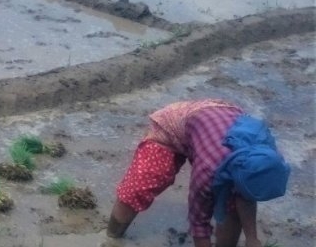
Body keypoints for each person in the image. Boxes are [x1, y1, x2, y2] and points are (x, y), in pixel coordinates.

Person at [106, 100, 290, 247]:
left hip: (220, 120)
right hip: (175, 124)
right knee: (140, 186)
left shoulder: (267, 159)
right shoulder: (209, 171)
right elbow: (199, 223)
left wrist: (252, 239)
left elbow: (247, 196)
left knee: (233, 203)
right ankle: (112, 236)